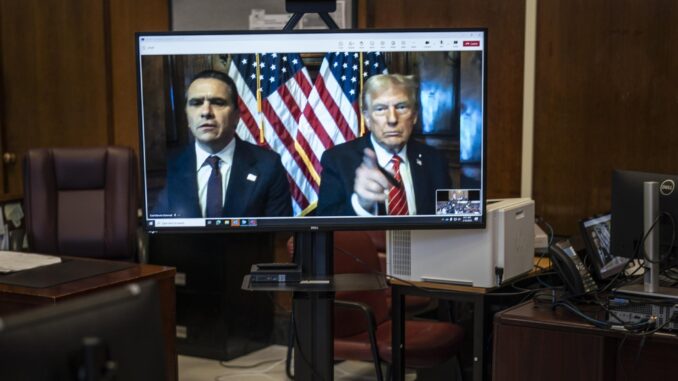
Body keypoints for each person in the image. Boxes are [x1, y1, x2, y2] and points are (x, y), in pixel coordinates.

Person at [152, 70, 292, 218]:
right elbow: (160, 235)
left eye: (218, 103)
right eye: (196, 103)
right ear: (187, 116)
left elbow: (278, 237)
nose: (206, 112)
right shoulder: (169, 167)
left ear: (236, 116)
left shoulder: (268, 166)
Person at [316, 74, 452, 216]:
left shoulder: (435, 159)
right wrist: (362, 205)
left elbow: (450, 218)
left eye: (401, 107)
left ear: (414, 115)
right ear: (367, 118)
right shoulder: (337, 160)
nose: (392, 119)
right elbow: (325, 224)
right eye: (380, 109)